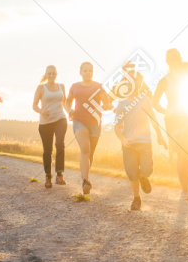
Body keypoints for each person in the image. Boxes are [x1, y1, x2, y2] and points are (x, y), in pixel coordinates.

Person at [113, 63, 167, 211]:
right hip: (128, 144)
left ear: (140, 83)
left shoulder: (145, 100)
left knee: (147, 170)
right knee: (131, 174)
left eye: (138, 81)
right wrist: (122, 139)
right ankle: (136, 199)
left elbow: (153, 119)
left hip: (144, 143)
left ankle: (144, 176)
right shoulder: (122, 104)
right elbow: (116, 127)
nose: (135, 83)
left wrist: (160, 135)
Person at [152, 48, 188, 200]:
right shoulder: (164, 81)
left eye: (177, 58)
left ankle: (176, 156)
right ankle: (185, 190)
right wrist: (166, 112)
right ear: (167, 62)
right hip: (173, 120)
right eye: (171, 59)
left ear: (180, 59)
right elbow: (154, 102)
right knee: (183, 155)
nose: (175, 61)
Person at [65, 62, 112, 195]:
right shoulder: (75, 87)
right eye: (85, 71)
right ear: (80, 72)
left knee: (90, 154)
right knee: (85, 149)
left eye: (90, 70)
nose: (88, 73)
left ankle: (86, 178)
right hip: (79, 120)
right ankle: (86, 181)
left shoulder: (99, 87)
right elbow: (68, 101)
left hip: (95, 122)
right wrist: (69, 110)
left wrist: (108, 105)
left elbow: (106, 103)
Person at [32, 65, 68, 188]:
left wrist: (71, 113)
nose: (51, 75)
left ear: (56, 74)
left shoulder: (61, 86)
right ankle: (48, 176)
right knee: (48, 150)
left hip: (60, 118)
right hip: (45, 122)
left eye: (53, 73)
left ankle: (59, 175)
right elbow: (34, 106)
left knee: (60, 143)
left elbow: (65, 103)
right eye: (49, 73)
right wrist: (41, 111)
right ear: (46, 75)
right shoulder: (41, 88)